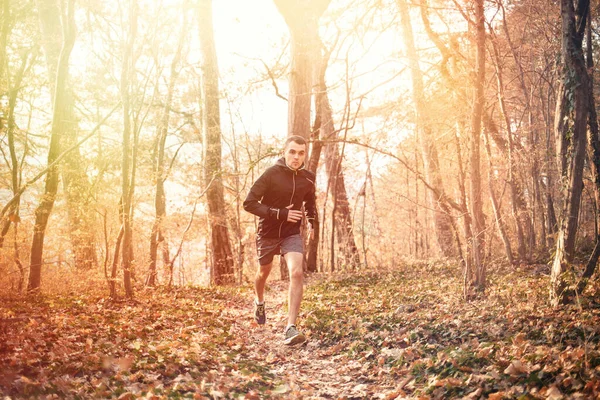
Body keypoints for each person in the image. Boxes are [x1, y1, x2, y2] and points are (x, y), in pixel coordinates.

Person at [243, 135, 316, 345]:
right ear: (285, 152)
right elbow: (249, 203)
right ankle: (259, 301)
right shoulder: (271, 174)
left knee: (297, 272)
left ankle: (290, 327)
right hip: (267, 232)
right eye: (292, 152)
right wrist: (280, 213)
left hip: (291, 233)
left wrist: (311, 221)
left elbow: (310, 202)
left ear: (305, 155)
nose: (296, 157)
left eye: (301, 153)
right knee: (263, 273)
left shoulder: (308, 177)